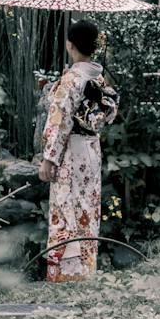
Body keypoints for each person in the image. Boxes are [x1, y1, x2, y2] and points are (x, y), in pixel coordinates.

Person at [38, 18, 117, 282]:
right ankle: (86, 270)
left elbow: (59, 120)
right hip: (91, 151)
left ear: (70, 46)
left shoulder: (72, 79)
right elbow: (106, 114)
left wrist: (49, 159)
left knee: (66, 208)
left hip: (70, 153)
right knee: (87, 208)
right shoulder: (98, 76)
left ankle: (66, 275)